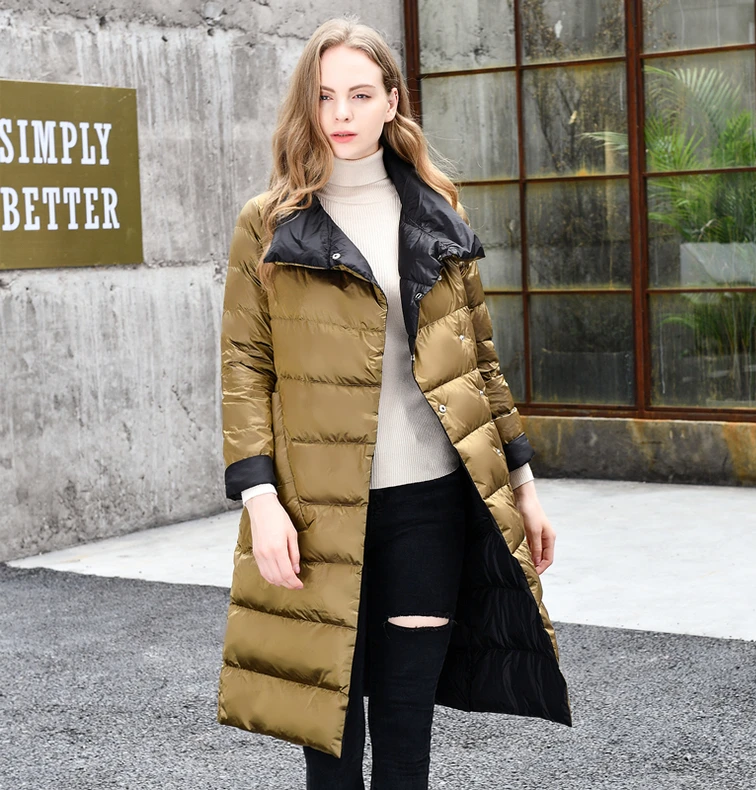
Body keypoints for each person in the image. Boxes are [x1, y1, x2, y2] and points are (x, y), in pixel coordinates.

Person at [216, 15, 571, 790]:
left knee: (406, 748)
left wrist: (524, 484)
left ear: (391, 101)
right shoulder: (268, 225)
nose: (340, 113)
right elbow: (245, 368)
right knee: (331, 756)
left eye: (359, 94)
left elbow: (479, 362)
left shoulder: (438, 213)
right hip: (313, 513)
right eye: (324, 96)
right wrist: (260, 500)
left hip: (427, 509)